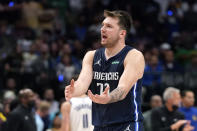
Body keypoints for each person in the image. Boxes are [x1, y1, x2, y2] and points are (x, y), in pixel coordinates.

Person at [65, 10, 145, 131]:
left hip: (126, 124)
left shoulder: (133, 56)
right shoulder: (91, 56)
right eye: (102, 25)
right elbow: (83, 83)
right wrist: (74, 90)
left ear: (122, 33)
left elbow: (122, 89)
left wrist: (108, 98)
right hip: (99, 125)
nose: (102, 29)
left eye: (109, 26)